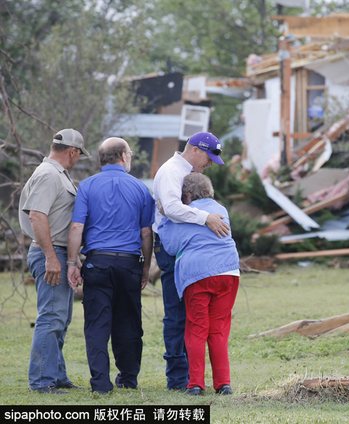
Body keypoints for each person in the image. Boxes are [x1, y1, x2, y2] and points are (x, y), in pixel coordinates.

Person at [67, 137, 154, 394]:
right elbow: (146, 233)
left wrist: (73, 262)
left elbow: (76, 227)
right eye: (130, 154)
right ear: (124, 157)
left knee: (96, 324)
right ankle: (128, 378)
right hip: (129, 265)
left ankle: (101, 385)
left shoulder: (87, 186)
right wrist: (146, 267)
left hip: (97, 263)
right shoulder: (140, 189)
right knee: (128, 322)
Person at [153, 131, 230, 391]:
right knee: (177, 315)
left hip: (189, 252)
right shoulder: (172, 172)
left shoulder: (183, 172)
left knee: (192, 320)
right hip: (174, 248)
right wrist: (205, 218)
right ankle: (178, 379)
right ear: (196, 149)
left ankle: (190, 379)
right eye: (208, 158)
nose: (209, 164)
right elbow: (172, 209)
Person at [19, 128, 89, 394]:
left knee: (61, 317)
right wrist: (51, 257)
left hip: (59, 252)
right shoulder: (49, 174)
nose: (78, 159)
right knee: (51, 317)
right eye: (79, 154)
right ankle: (41, 381)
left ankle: (57, 376)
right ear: (72, 151)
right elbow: (37, 215)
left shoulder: (57, 174)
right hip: (50, 252)